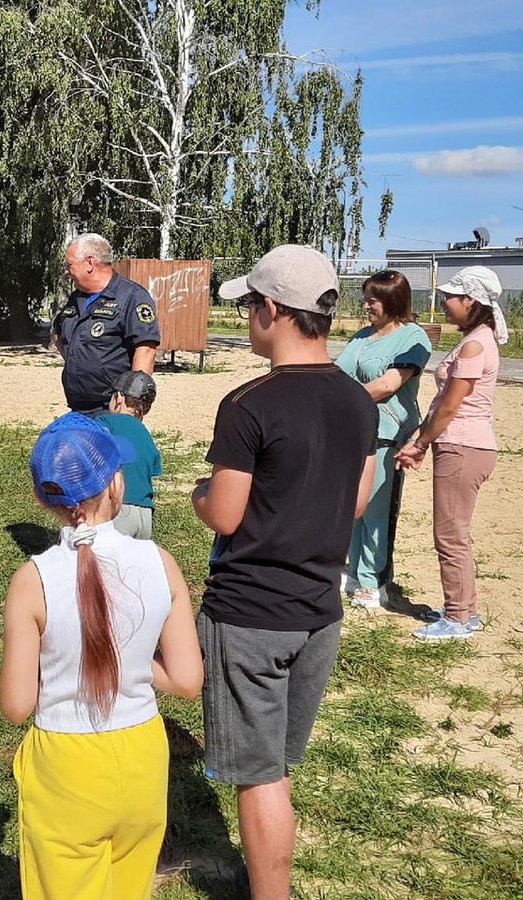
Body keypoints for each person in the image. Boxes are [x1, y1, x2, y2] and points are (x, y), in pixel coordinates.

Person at [193, 245, 377, 900]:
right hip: (318, 615)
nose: (246, 319)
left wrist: (198, 495)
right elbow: (356, 501)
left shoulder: (248, 404)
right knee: (276, 765)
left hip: (250, 616)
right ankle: (269, 870)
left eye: (248, 307)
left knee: (258, 773)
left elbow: (225, 513)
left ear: (272, 309)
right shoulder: (358, 402)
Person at [0, 412, 202, 899]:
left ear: (41, 497)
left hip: (66, 763)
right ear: (116, 483)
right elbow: (188, 680)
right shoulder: (161, 563)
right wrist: (131, 662)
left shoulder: (32, 580)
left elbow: (16, 705)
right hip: (142, 757)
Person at [396, 266, 508, 640]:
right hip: (461, 443)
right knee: (453, 532)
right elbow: (443, 403)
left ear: (470, 301)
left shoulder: (476, 344)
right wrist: (421, 436)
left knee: (450, 534)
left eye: (451, 296)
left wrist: (421, 443)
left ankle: (459, 617)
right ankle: (464, 610)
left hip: (462, 445)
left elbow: (450, 406)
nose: (444, 303)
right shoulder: (477, 339)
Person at [334, 271, 432, 609]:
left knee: (377, 509)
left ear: (392, 301)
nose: (365, 306)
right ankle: (354, 569)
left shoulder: (413, 338)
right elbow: (338, 373)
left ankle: (374, 580)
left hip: (387, 435)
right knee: (354, 506)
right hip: (354, 432)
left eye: (371, 300)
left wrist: (344, 399)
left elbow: (389, 384)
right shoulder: (362, 336)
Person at [52, 233, 161, 414]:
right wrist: (78, 363)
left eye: (69, 264)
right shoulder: (76, 298)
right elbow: (58, 333)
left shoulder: (131, 297)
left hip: (111, 409)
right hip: (77, 407)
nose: (65, 270)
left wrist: (129, 406)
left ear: (89, 263)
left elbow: (146, 350)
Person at [99, 371, 162, 540]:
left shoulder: (106, 422)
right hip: (145, 514)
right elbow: (153, 468)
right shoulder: (146, 435)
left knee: (105, 562)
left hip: (119, 509)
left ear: (118, 397)